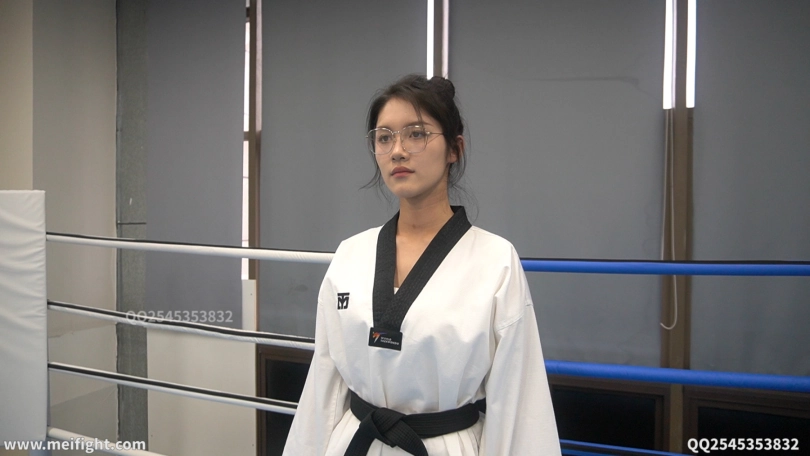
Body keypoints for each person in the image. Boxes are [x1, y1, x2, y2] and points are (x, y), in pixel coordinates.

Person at [282, 74, 561, 456]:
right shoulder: (350, 254)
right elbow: (324, 384)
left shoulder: (495, 262)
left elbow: (518, 399)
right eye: (384, 137)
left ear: (454, 149)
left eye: (416, 134)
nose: (397, 151)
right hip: (355, 441)